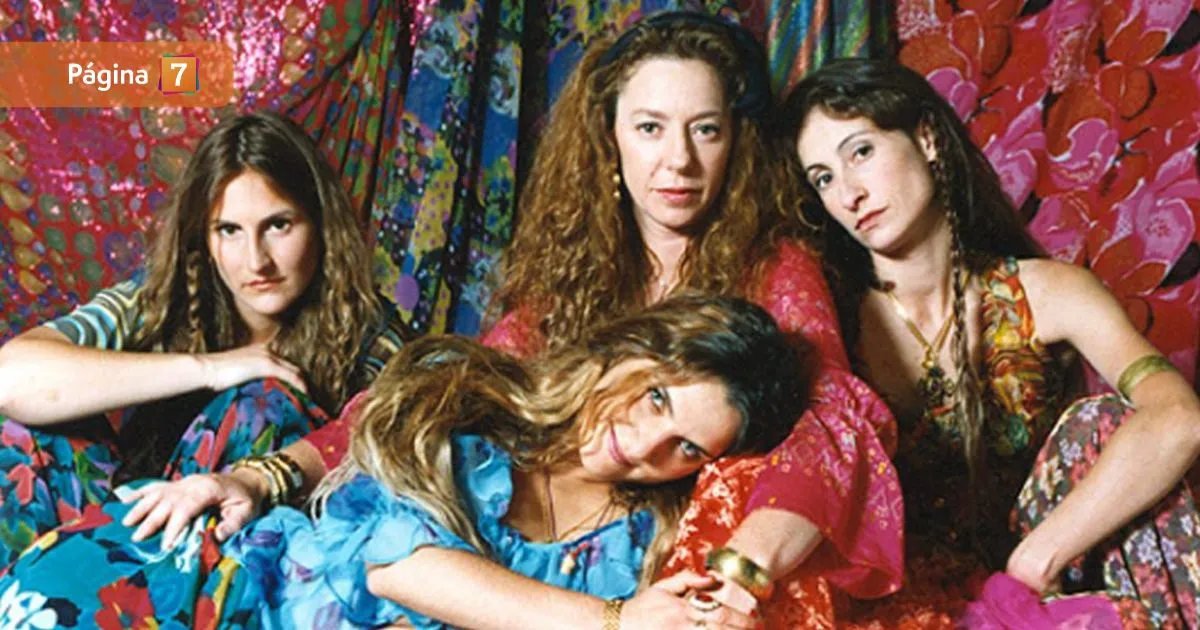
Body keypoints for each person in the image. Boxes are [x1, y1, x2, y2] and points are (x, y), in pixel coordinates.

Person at [97, 12, 905, 627]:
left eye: (706, 130)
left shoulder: (774, 264)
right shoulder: (576, 266)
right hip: (492, 561)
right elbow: (446, 391)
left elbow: (828, 421)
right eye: (650, 128)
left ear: (737, 144)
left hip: (659, 565)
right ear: (611, 139)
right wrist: (263, 476)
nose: (679, 161)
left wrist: (739, 572)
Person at [0, 295, 805, 630]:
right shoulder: (464, 394)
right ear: (633, 352)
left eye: (687, 448)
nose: (644, 440)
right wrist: (613, 623)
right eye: (657, 397)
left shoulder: (633, 549)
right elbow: (396, 564)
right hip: (229, 588)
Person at [780, 57, 1200, 627]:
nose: (849, 193)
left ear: (927, 139)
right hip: (903, 602)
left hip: (1041, 578)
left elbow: (1179, 418)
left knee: (1102, 424)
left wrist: (1037, 557)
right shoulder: (831, 322)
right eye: (823, 178)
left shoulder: (1047, 292)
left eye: (861, 152)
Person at [0, 111, 409, 567]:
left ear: (320, 223)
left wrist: (257, 469)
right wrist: (211, 368)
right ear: (205, 239)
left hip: (247, 557)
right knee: (27, 427)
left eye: (279, 225)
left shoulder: (370, 330)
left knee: (262, 401)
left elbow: (389, 440)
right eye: (229, 230)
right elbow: (12, 379)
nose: (256, 261)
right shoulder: (165, 297)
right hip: (134, 522)